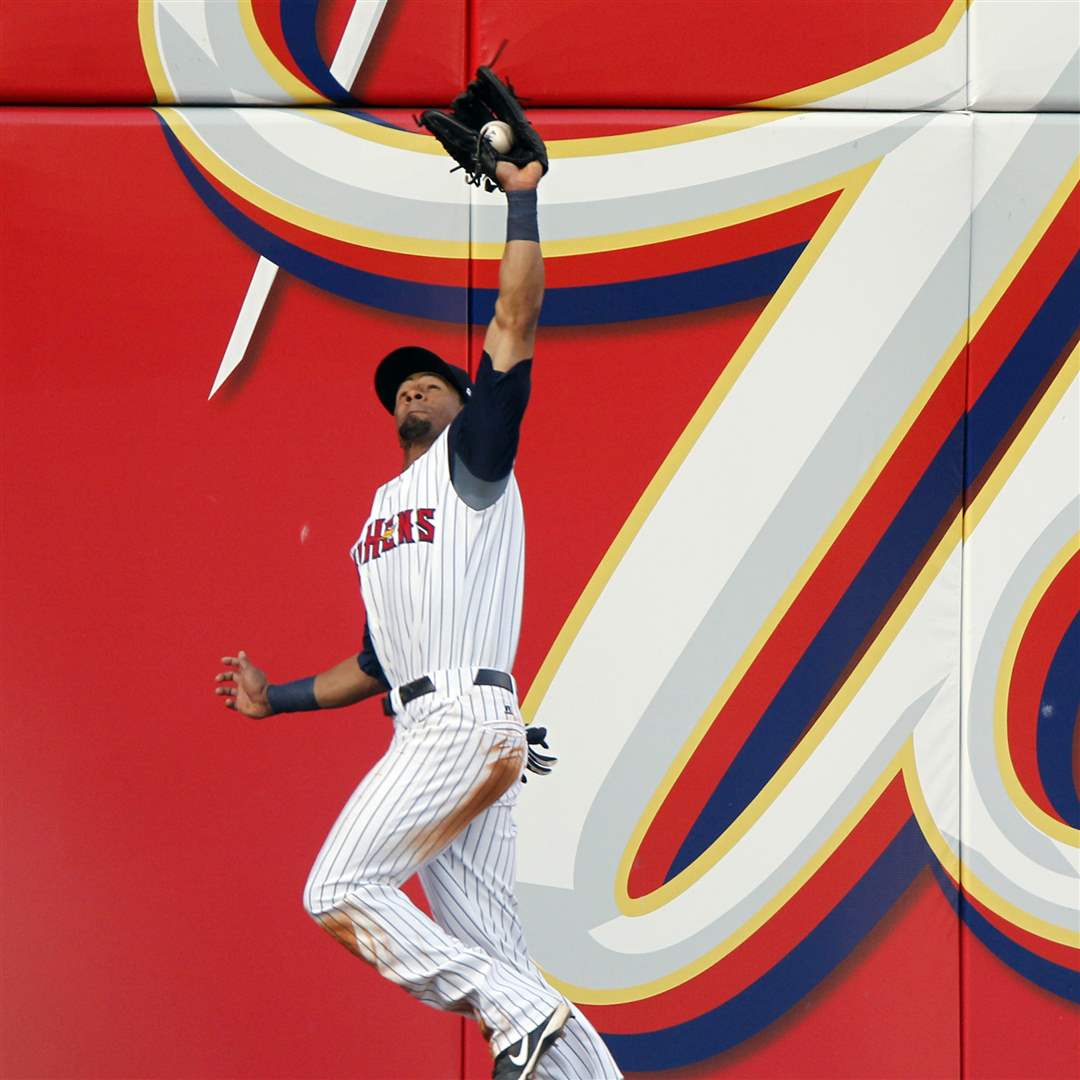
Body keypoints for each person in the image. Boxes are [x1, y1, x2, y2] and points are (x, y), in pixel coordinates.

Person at [214, 155, 622, 1079]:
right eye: (399, 387)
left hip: (462, 726)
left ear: (466, 401)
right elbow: (371, 662)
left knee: (337, 887)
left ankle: (520, 1012)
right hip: (431, 726)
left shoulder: (473, 459)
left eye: (430, 381)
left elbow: (516, 316)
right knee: (505, 962)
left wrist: (521, 197)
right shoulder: (379, 514)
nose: (411, 389)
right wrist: (274, 698)